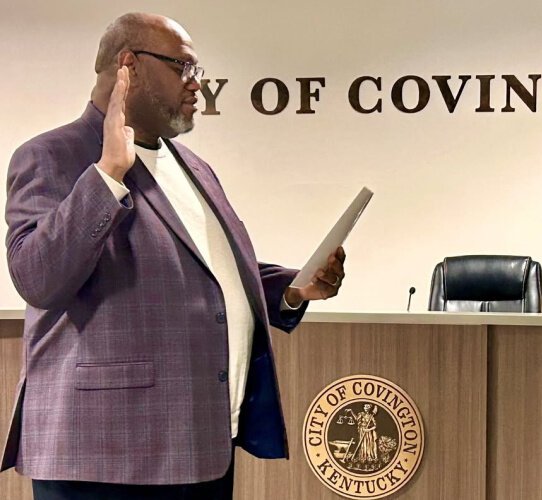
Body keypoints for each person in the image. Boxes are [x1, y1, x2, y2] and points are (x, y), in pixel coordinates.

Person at [1, 12, 346, 499]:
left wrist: (293, 289)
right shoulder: (51, 155)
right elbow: (38, 277)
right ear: (129, 66)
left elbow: (206, 271)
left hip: (199, 444)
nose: (197, 86)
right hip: (103, 457)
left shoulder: (193, 167)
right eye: (183, 68)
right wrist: (106, 176)